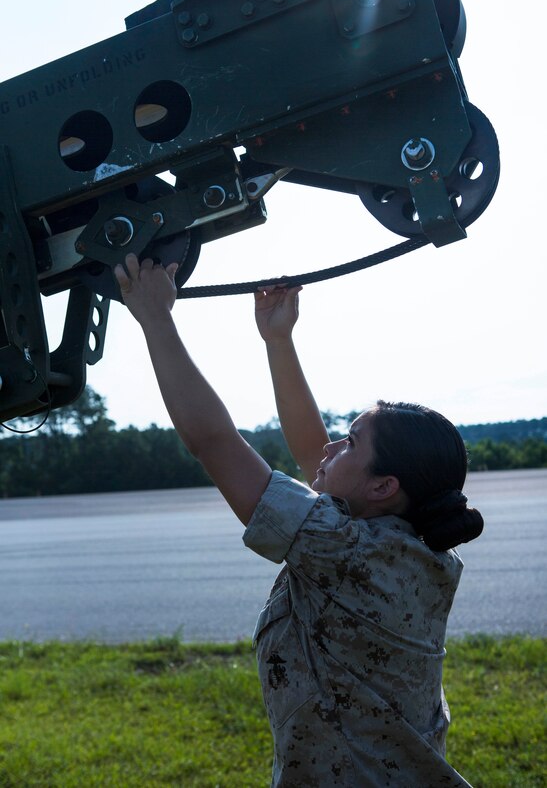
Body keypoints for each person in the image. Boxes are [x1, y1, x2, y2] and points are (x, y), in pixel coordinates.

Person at [114, 254, 483, 788]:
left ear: (384, 487)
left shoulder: (347, 551)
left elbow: (213, 442)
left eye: (351, 441)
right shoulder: (408, 546)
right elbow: (320, 463)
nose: (333, 446)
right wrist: (278, 341)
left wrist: (155, 318)